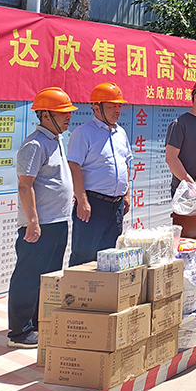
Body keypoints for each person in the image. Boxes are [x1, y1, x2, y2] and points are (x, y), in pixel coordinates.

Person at [6, 88, 77, 348]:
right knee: (28, 276)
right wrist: (33, 222)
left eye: (68, 112)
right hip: (40, 225)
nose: (68, 117)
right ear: (45, 115)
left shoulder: (55, 140)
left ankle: (36, 323)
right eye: (62, 113)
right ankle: (19, 332)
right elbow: (25, 186)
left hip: (57, 222)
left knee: (47, 277)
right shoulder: (34, 144)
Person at [66, 82, 132, 266]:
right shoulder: (84, 133)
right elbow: (74, 166)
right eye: (111, 106)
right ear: (96, 108)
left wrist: (127, 195)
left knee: (109, 257)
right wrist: (82, 200)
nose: (117, 111)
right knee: (84, 256)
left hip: (116, 205)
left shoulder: (121, 133)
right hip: (93, 205)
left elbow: (125, 164)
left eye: (119, 106)